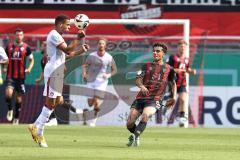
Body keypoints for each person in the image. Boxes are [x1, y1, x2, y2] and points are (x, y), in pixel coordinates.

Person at [28, 14, 89, 148]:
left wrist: (80, 50)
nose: (69, 27)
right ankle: (38, 130)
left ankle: (36, 127)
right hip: (53, 72)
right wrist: (78, 39)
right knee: (50, 103)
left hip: (58, 72)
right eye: (67, 24)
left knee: (58, 101)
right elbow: (67, 49)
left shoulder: (59, 37)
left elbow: (67, 55)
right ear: (60, 24)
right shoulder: (54, 34)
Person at [126, 42, 176, 147]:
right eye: (154, 51)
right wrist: (142, 86)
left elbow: (173, 83)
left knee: (145, 115)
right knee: (129, 123)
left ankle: (135, 137)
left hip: (155, 99)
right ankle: (136, 135)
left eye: (158, 51)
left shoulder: (169, 69)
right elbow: (138, 80)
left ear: (163, 53)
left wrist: (174, 97)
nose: (155, 53)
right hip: (140, 98)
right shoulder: (145, 66)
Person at [82, 38, 117, 127]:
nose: (101, 45)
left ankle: (93, 122)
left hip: (102, 82)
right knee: (90, 103)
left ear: (105, 46)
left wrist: (108, 75)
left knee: (97, 102)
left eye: (102, 43)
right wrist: (84, 74)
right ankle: (86, 111)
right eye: (99, 43)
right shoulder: (92, 55)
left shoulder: (109, 57)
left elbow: (114, 70)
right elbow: (85, 65)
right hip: (91, 80)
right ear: (97, 45)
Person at [5, 28, 34, 124]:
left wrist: (29, 68)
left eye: (21, 35)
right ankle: (10, 110)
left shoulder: (27, 48)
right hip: (10, 75)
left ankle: (16, 118)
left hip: (21, 77)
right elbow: (4, 59)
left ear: (23, 36)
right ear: (15, 36)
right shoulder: (8, 47)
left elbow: (32, 60)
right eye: (17, 35)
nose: (19, 36)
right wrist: (4, 67)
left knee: (18, 97)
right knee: (8, 94)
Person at [166, 40, 196, 127]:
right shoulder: (172, 57)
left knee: (183, 100)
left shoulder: (187, 59)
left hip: (182, 82)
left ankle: (182, 118)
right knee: (172, 101)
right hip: (173, 82)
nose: (182, 48)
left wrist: (191, 71)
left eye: (184, 47)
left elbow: (186, 69)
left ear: (186, 48)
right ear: (178, 48)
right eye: (181, 46)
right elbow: (166, 69)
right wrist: (175, 70)